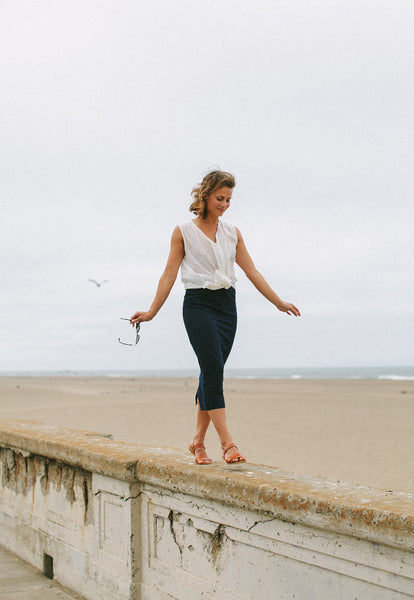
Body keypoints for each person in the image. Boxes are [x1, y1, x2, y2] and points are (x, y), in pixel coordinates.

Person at [130, 170, 300, 465]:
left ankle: (197, 442)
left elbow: (252, 271)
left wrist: (277, 302)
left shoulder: (233, 233)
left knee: (210, 371)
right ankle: (228, 444)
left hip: (226, 307)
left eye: (229, 199)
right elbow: (169, 274)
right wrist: (151, 312)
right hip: (197, 305)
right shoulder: (183, 231)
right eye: (220, 198)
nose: (224, 204)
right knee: (213, 370)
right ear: (206, 196)